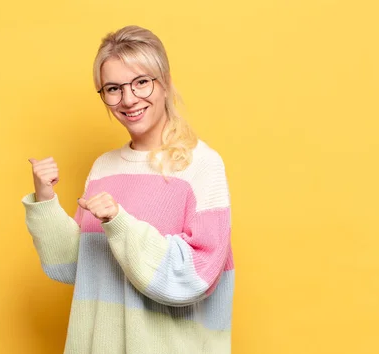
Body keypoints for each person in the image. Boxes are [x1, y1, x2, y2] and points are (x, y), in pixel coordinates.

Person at [22, 25, 234, 354]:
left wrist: (120, 222)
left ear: (164, 82)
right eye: (113, 88)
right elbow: (75, 268)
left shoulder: (201, 165)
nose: (128, 99)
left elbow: (195, 276)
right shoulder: (104, 167)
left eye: (141, 82)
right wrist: (46, 200)